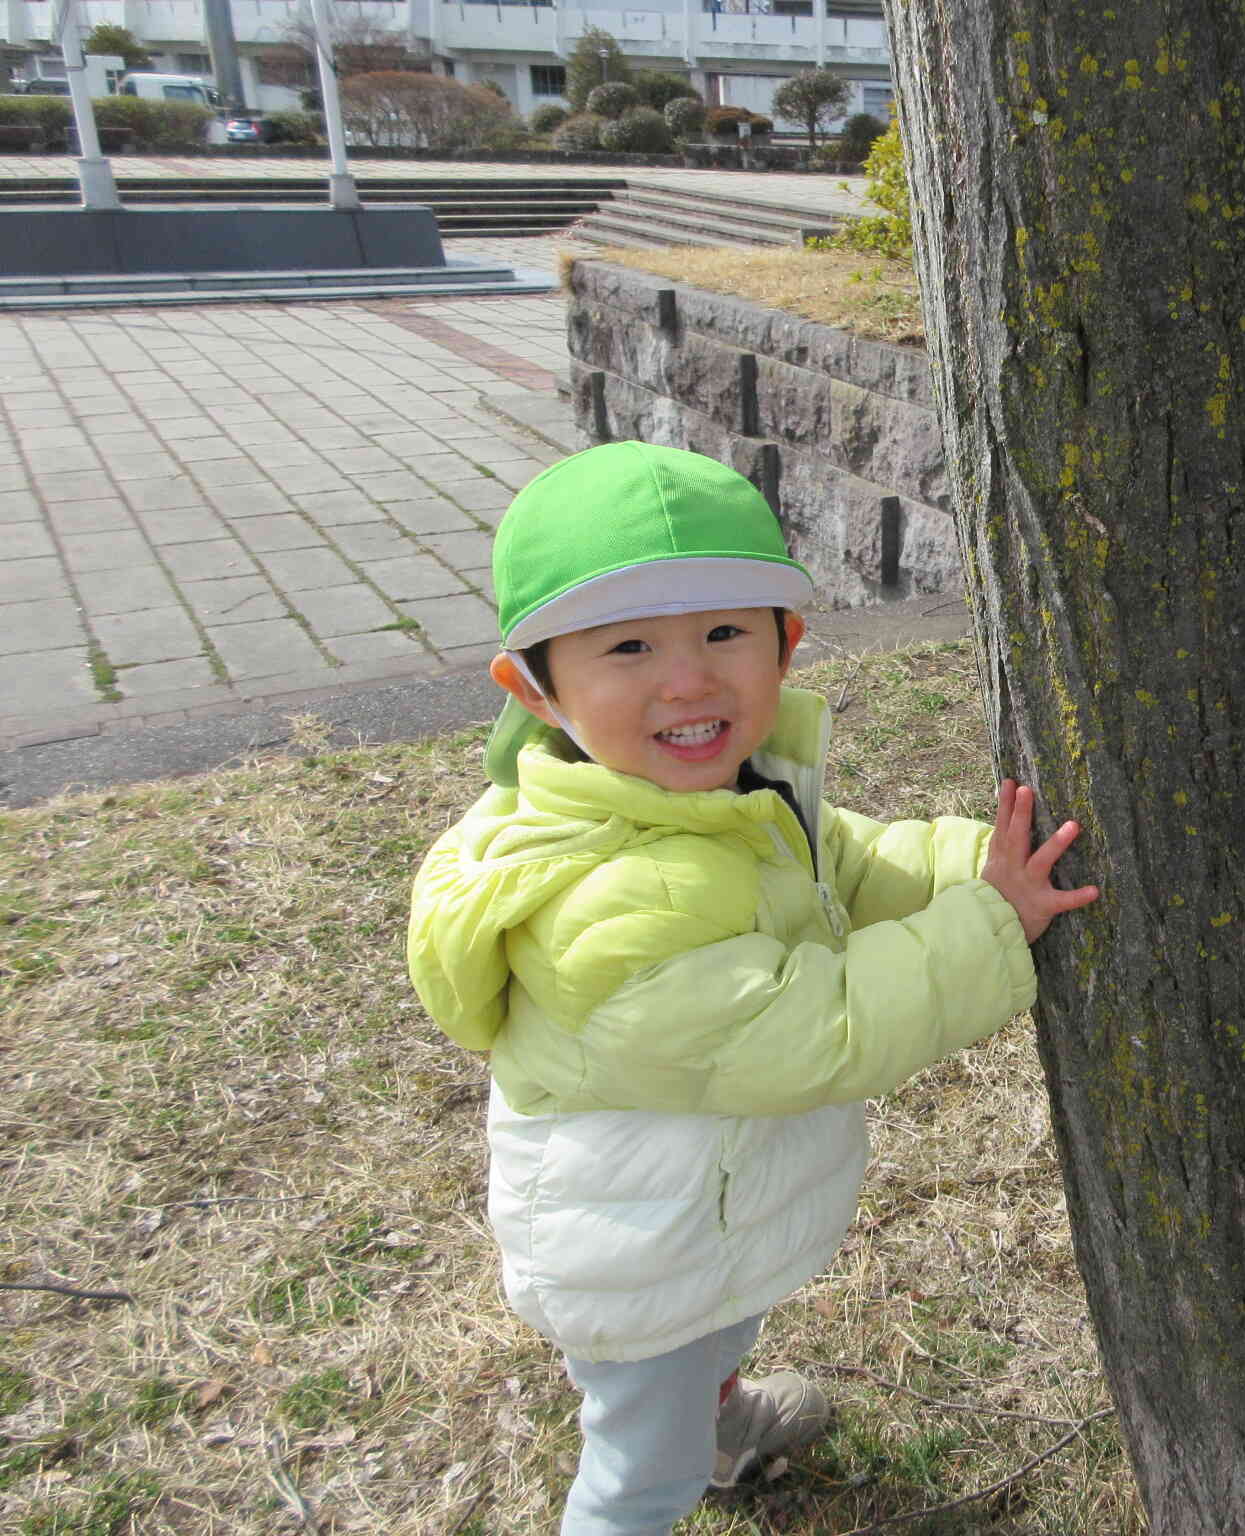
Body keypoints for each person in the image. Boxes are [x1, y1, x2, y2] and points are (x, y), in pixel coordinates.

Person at [406, 441, 1099, 1533]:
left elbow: (852, 864)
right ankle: (674, 1466)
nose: (688, 679)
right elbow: (812, 1029)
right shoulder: (607, 905)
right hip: (637, 1259)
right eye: (628, 646)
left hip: (693, 1218)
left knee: (710, 1348)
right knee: (640, 1468)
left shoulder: (729, 786)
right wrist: (989, 923)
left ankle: (721, 1425)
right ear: (534, 689)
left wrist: (977, 860)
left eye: (724, 632)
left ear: (787, 644)